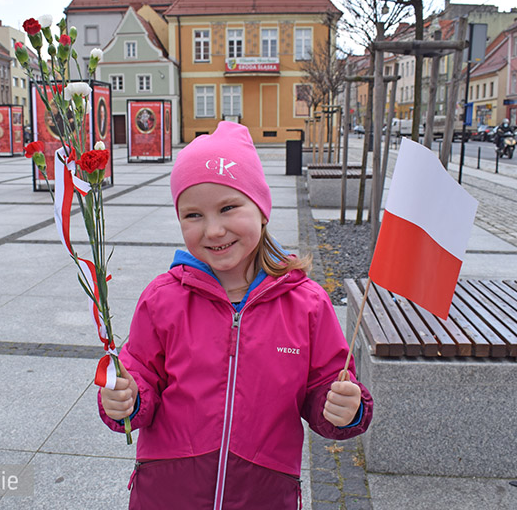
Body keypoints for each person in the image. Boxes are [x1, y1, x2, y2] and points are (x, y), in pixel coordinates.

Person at [98, 121, 373, 509]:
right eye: (193, 215)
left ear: (261, 210)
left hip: (262, 493)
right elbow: (140, 372)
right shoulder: (163, 299)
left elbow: (325, 386)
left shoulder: (307, 304)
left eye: (228, 207)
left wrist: (345, 408)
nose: (213, 230)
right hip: (168, 491)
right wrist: (126, 399)